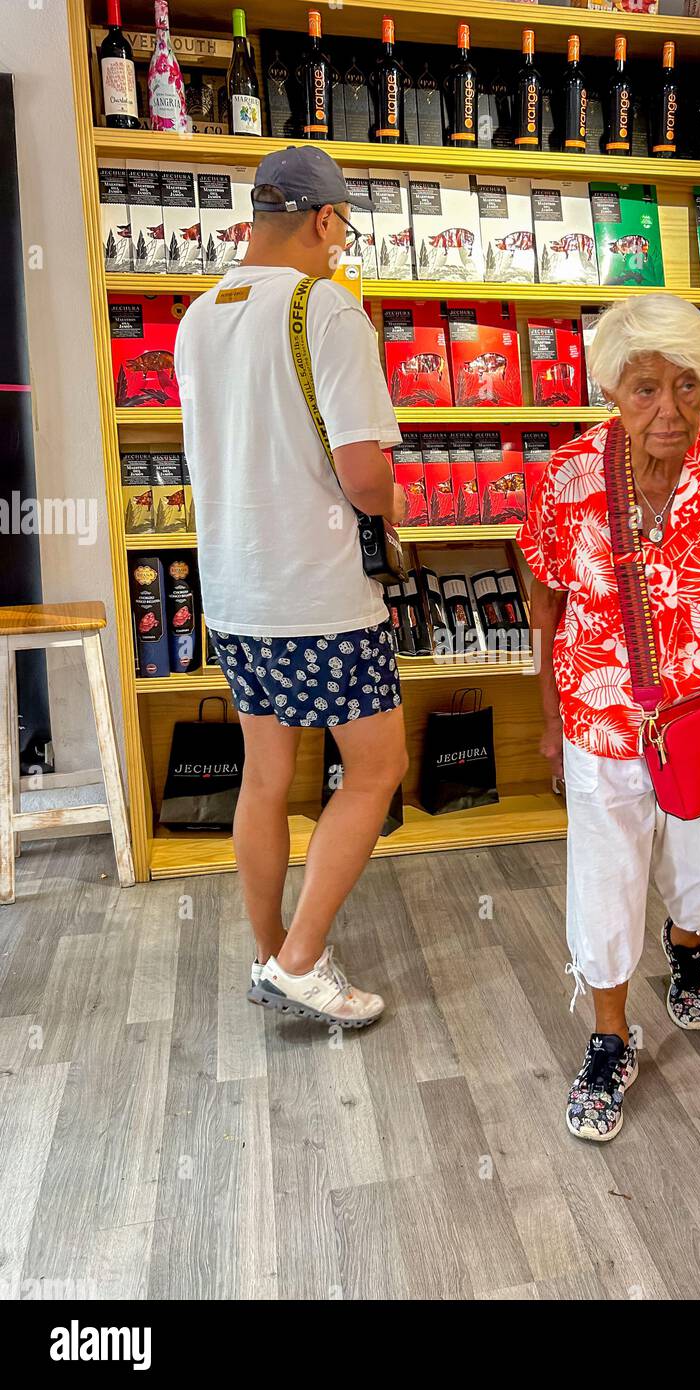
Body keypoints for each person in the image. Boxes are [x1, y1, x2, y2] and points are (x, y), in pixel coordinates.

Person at [518, 295, 700, 1141]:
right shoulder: (566, 478)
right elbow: (545, 596)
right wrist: (546, 715)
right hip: (603, 714)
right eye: (644, 388)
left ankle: (686, 944)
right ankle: (609, 1038)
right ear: (610, 390)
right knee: (605, 879)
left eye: (686, 385)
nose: (667, 410)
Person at [174, 147, 408, 1029]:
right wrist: (399, 505)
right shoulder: (326, 308)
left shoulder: (200, 314)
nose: (341, 247)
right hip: (320, 596)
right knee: (375, 768)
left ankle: (269, 951)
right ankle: (303, 965)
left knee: (265, 776)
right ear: (320, 219)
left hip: (235, 592)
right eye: (342, 229)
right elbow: (362, 475)